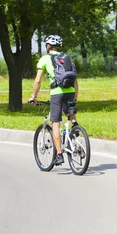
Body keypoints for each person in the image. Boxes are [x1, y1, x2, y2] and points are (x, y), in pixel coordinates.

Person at [28, 34, 79, 166]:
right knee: (68, 112)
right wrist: (75, 96)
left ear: (48, 45)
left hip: (57, 93)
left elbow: (38, 80)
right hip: (71, 91)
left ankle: (60, 155)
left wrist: (33, 97)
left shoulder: (45, 59)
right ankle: (75, 125)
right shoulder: (66, 57)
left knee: (55, 122)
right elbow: (74, 79)